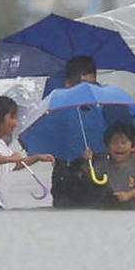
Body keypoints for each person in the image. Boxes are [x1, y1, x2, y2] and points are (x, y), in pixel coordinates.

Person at [0, 97, 55, 210]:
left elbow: (17, 164)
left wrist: (36, 158)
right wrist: (10, 158)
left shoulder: (0, 143)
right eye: (12, 117)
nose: (16, 123)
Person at [50, 56, 103, 208]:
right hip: (65, 177)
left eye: (91, 85)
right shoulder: (56, 111)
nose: (86, 91)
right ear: (68, 84)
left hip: (96, 175)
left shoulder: (103, 110)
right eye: (81, 85)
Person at [91, 122, 135, 210]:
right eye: (114, 143)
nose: (119, 146)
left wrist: (129, 195)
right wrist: (87, 159)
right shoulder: (103, 164)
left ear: (132, 147)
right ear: (107, 147)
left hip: (130, 209)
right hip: (106, 207)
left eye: (124, 143)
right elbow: (91, 177)